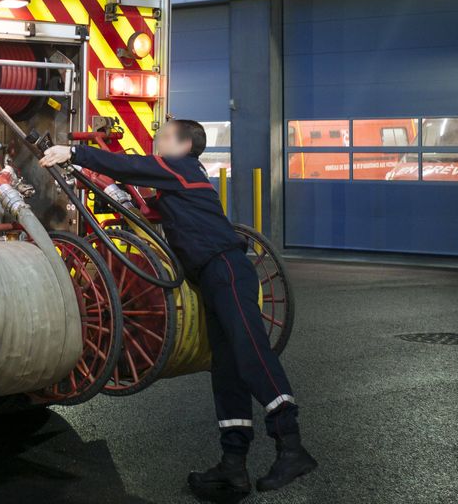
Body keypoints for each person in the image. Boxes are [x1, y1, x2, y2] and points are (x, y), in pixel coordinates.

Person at [41, 120, 317, 500]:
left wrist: (75, 153)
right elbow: (148, 205)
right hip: (211, 276)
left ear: (185, 145)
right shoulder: (181, 181)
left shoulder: (182, 168)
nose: (157, 142)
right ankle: (233, 465)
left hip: (226, 270)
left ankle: (291, 447)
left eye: (164, 137)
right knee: (227, 369)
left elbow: (134, 166)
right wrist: (110, 188)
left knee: (251, 352)